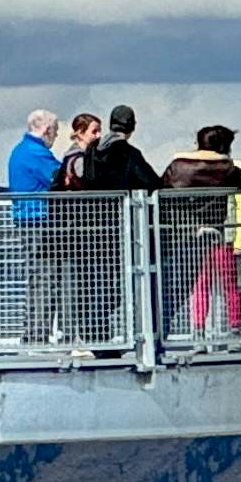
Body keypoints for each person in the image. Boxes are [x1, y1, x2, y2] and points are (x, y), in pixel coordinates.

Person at [158, 123, 241, 338]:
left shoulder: (178, 166)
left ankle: (196, 329)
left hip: (186, 236)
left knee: (198, 285)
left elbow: (161, 186)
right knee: (230, 284)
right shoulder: (227, 170)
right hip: (219, 234)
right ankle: (234, 329)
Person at [74, 104, 157, 343]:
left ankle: (93, 335)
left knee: (89, 282)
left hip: (86, 226)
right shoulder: (127, 153)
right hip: (115, 227)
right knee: (111, 286)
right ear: (131, 127)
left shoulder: (91, 150)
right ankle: (101, 337)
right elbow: (150, 182)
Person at [6, 108, 64, 343]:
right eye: (56, 131)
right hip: (39, 220)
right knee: (44, 278)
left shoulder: (19, 151)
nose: (57, 136)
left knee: (36, 277)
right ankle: (38, 334)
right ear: (47, 130)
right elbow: (59, 177)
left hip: (25, 219)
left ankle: (33, 333)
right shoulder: (36, 153)